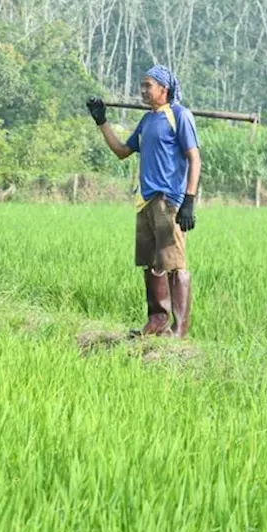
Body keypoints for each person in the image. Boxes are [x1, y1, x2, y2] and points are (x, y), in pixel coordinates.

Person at [86, 66, 201, 338]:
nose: (143, 90)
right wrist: (101, 122)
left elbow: (194, 157)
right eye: (142, 85)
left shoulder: (179, 116)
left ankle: (179, 329)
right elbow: (122, 151)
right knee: (151, 264)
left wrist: (189, 201)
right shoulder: (147, 121)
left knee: (174, 263)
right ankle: (156, 322)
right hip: (145, 200)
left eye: (148, 85)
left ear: (165, 89)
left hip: (168, 199)